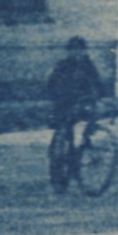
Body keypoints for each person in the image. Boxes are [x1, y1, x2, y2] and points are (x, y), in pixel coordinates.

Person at [45, 37, 107, 188]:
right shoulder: (63, 65)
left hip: (83, 102)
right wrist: (59, 96)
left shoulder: (88, 65)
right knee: (66, 131)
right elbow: (52, 84)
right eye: (74, 50)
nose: (78, 53)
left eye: (81, 49)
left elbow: (98, 83)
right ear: (69, 52)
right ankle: (61, 166)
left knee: (91, 119)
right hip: (64, 102)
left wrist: (101, 97)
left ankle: (86, 141)